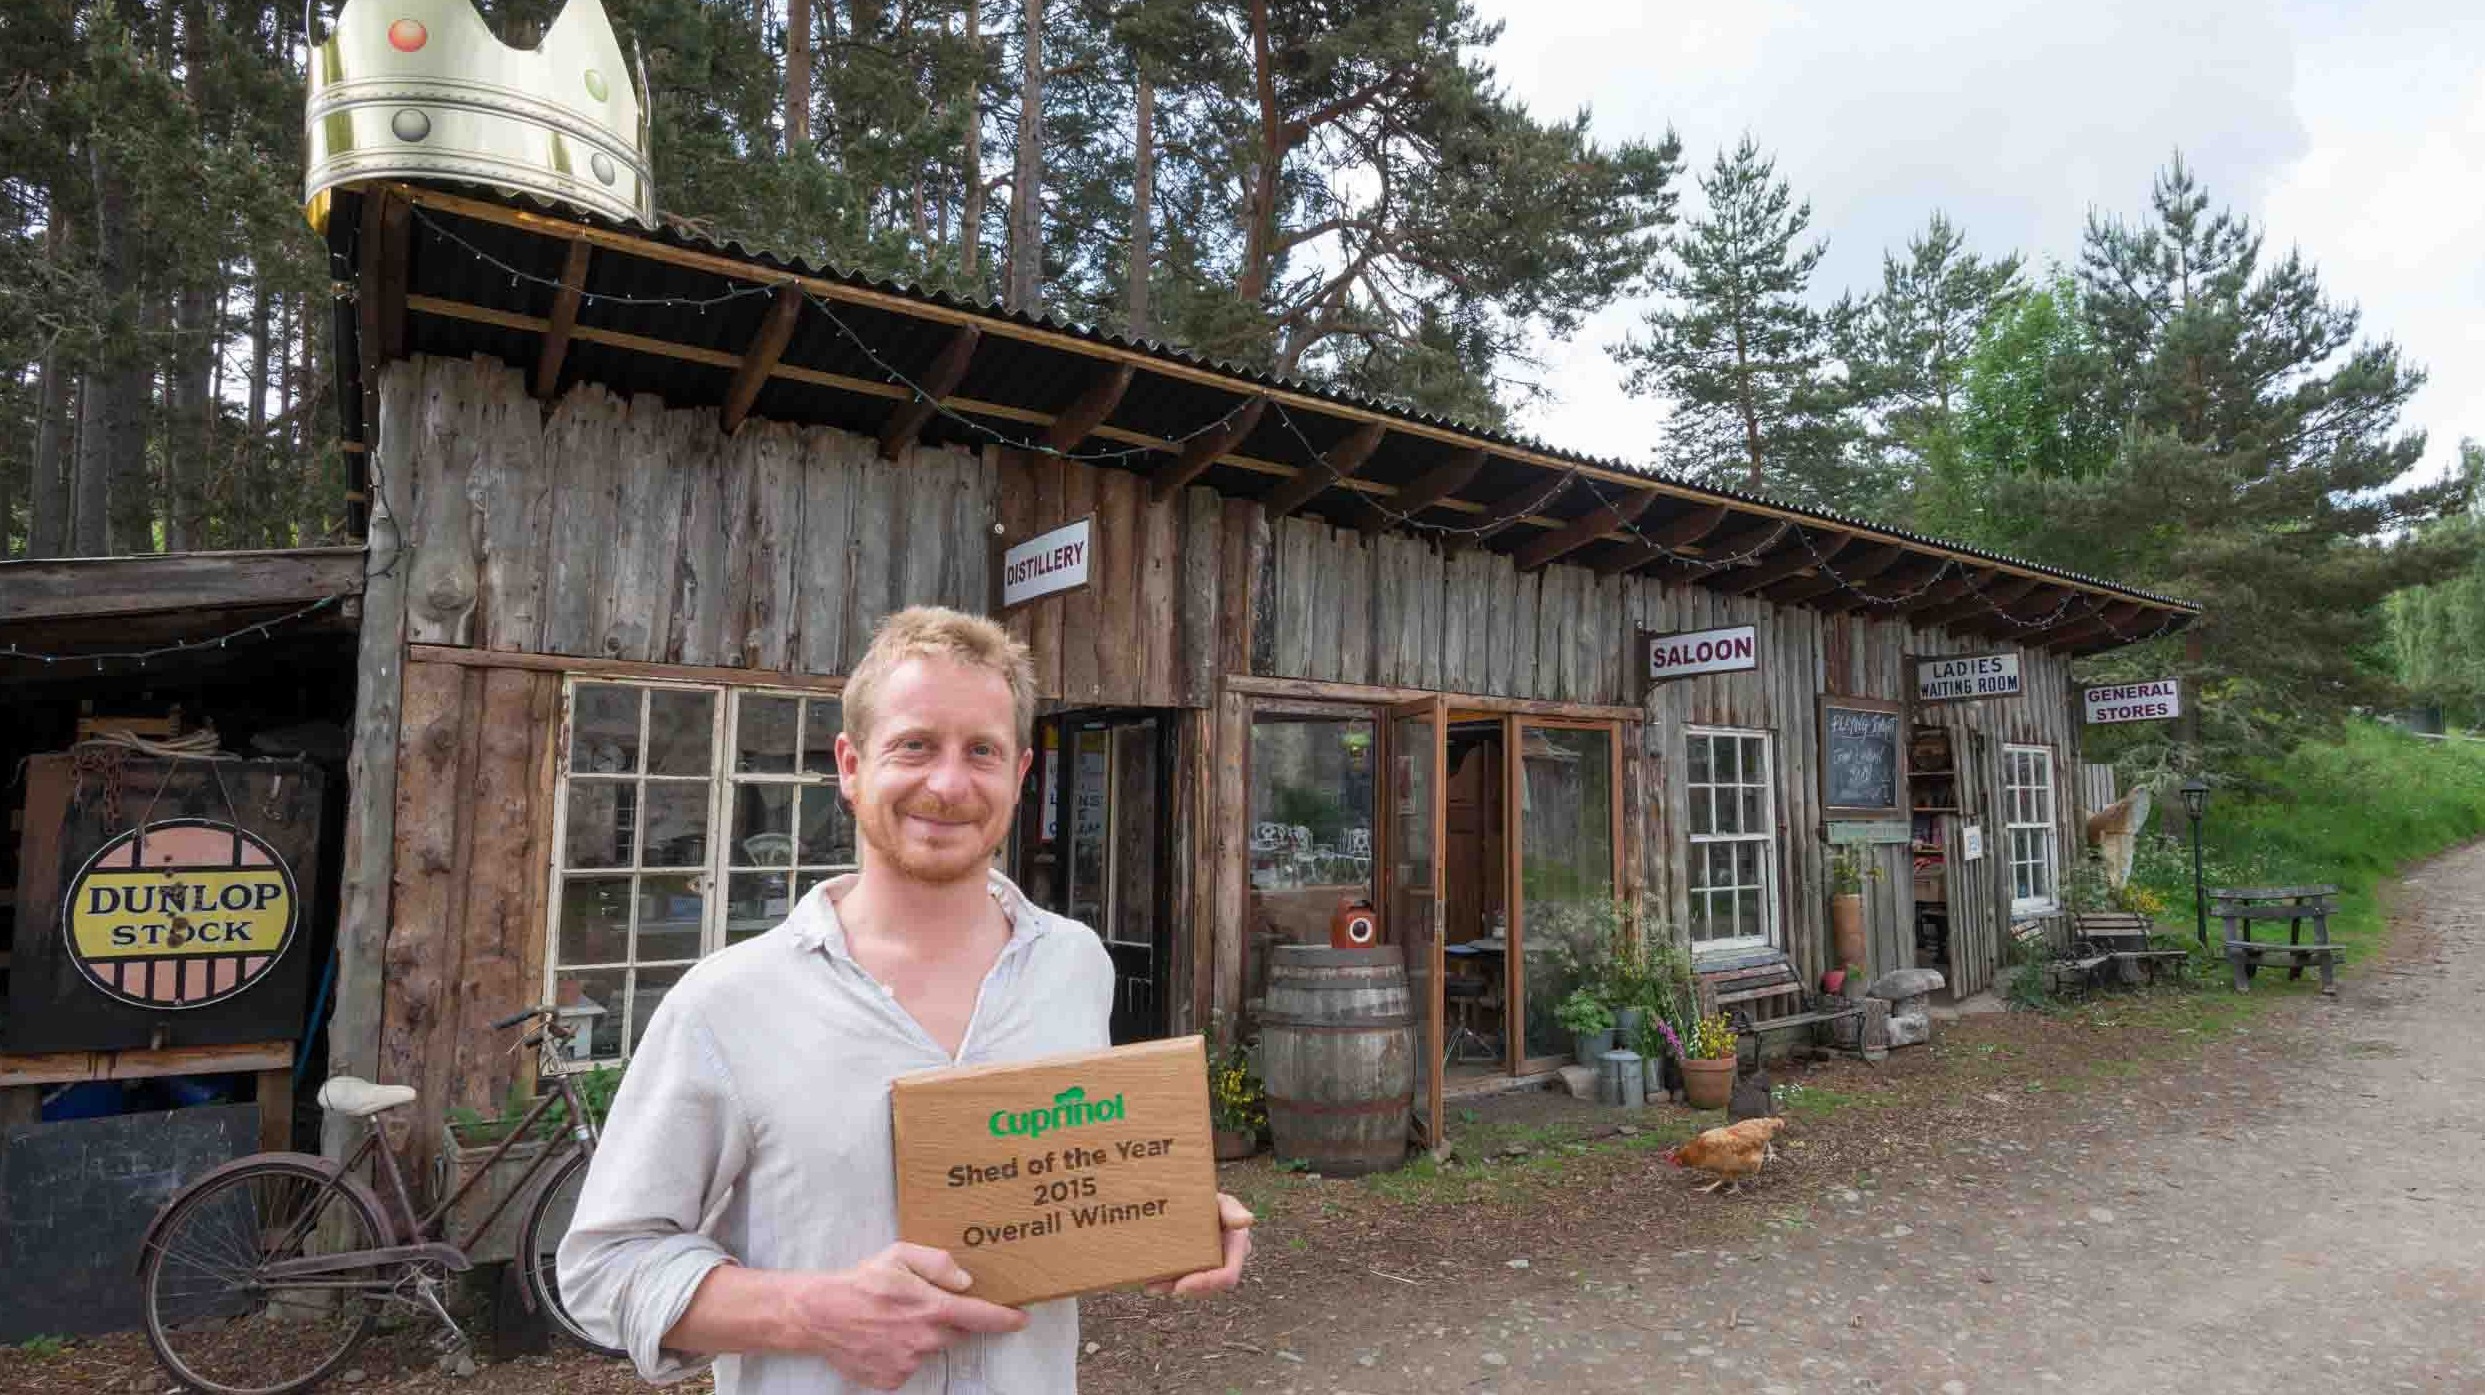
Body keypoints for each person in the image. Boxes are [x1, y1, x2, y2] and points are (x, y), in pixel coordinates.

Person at [559, 606, 1252, 1393]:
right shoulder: (726, 1003)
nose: (948, 784)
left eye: (981, 751)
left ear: (1020, 774)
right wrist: (808, 1311)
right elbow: (604, 1265)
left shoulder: (1073, 965)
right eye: (914, 745)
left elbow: (1051, 1182)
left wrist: (1161, 1216)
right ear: (851, 765)